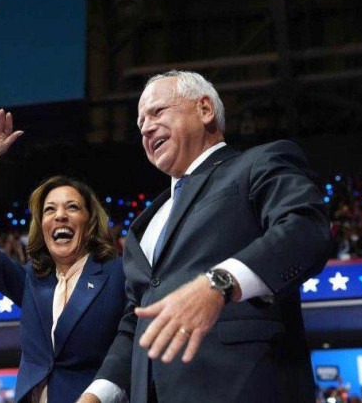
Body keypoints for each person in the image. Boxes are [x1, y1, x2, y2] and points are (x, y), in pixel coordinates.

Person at [79, 71, 332, 402]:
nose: (145, 127)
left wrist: (219, 284)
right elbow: (137, 322)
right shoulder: (144, 224)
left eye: (157, 112)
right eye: (140, 122)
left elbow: (306, 229)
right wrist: (98, 393)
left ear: (204, 110)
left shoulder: (258, 164)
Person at [0, 108, 126, 402]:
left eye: (72, 207)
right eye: (50, 210)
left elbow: (131, 348)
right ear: (41, 226)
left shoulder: (118, 274)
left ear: (90, 221)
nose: (60, 216)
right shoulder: (32, 281)